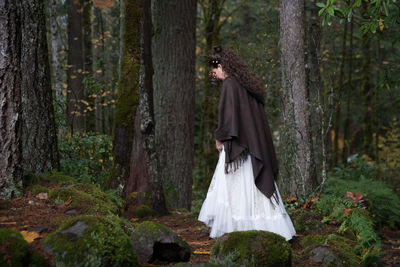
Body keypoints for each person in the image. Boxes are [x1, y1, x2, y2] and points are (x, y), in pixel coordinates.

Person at [198, 45, 296, 241]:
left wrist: (220, 137)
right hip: (251, 147)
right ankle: (263, 229)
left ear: (223, 66)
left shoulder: (230, 85)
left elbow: (228, 118)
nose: (214, 74)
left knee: (236, 187)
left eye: (215, 69)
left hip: (238, 146)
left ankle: (238, 230)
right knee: (249, 188)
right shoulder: (246, 85)